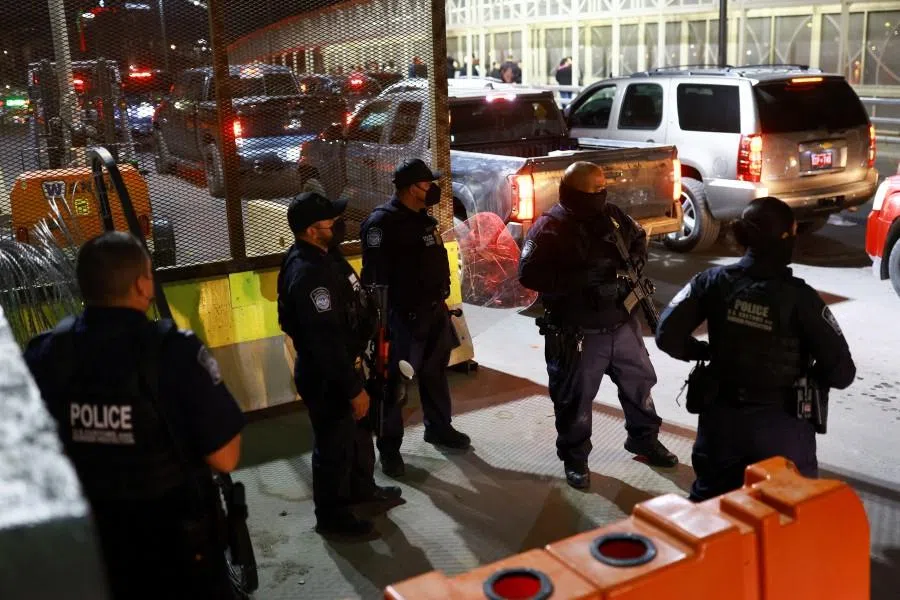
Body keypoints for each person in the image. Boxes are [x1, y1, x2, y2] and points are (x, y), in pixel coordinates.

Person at [24, 231, 244, 599]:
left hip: (89, 546)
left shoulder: (45, 353)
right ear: (143, 285)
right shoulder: (174, 351)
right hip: (175, 546)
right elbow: (225, 457)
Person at [655, 196, 856, 502]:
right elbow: (842, 373)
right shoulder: (802, 299)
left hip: (720, 421)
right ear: (785, 239)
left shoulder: (711, 281)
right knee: (788, 511)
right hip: (782, 425)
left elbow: (667, 334)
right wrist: (810, 377)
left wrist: (704, 352)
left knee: (711, 509)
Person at [518, 161, 678, 490]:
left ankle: (644, 440)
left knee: (640, 384)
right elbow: (528, 274)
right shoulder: (549, 227)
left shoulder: (613, 215)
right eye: (592, 191)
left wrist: (635, 260)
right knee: (574, 399)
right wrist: (579, 279)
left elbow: (637, 239)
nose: (599, 196)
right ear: (571, 192)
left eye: (602, 189)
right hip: (578, 331)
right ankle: (575, 459)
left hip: (621, 323)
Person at [277, 192, 402, 538]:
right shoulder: (308, 273)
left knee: (358, 435)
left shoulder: (325, 256)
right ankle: (333, 518)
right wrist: (352, 388)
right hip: (329, 375)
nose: (337, 224)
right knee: (333, 446)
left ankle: (361, 490)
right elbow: (324, 342)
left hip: (347, 365)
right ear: (311, 230)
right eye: (330, 221)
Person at [360, 159, 471, 478]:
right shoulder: (382, 224)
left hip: (433, 310)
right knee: (392, 384)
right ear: (412, 188)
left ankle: (438, 428)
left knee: (435, 372)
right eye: (428, 183)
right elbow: (376, 279)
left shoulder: (423, 218)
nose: (433, 188)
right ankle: (390, 449)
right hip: (402, 318)